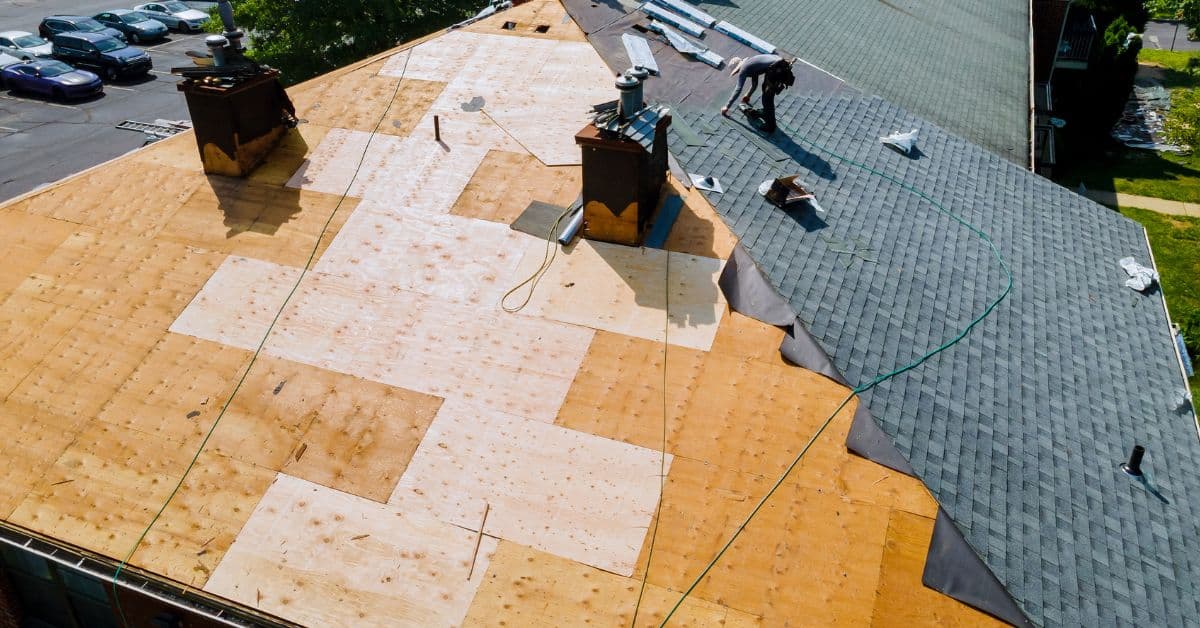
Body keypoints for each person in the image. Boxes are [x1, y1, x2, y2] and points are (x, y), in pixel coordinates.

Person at [721, 54, 795, 134]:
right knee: (765, 90)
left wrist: (727, 106)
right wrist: (748, 95)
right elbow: (755, 84)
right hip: (780, 66)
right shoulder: (750, 63)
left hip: (777, 68)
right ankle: (766, 113)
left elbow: (738, 89)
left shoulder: (743, 70)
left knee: (767, 99)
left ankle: (770, 126)